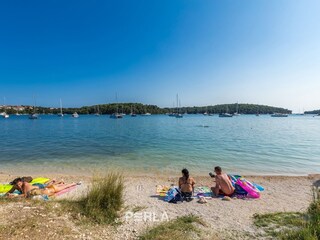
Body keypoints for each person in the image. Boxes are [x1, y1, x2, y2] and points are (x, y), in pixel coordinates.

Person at [6, 178, 77, 198]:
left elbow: (25, 195)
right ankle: (55, 181)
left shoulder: (25, 185)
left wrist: (15, 196)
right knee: (48, 186)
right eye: (17, 185)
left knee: (46, 185)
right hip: (36, 188)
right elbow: (10, 191)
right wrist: (7, 194)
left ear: (21, 182)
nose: (18, 186)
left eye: (19, 184)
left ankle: (58, 181)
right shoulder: (15, 186)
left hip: (39, 187)